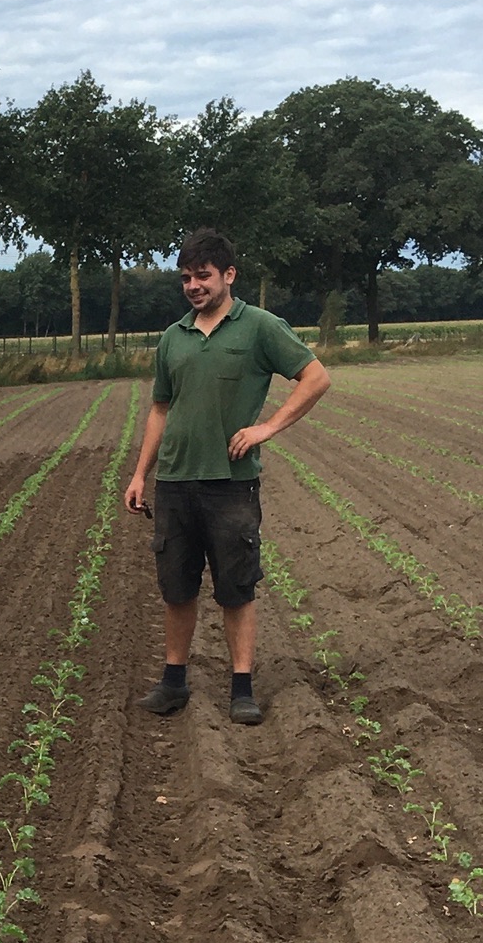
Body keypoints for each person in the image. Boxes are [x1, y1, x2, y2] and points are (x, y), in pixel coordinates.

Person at [123, 228, 331, 725]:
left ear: (229, 275)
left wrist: (267, 427)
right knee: (177, 587)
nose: (193, 285)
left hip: (231, 484)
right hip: (175, 482)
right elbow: (159, 408)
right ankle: (173, 683)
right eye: (186, 278)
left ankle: (242, 688)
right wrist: (139, 475)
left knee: (236, 587)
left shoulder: (259, 327)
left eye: (203, 276)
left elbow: (317, 377)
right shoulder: (174, 337)